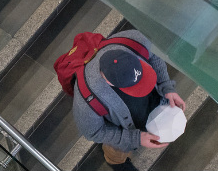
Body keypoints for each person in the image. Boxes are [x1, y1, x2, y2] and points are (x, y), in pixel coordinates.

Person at [71, 30, 186, 171]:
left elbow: (155, 57)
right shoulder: (86, 97)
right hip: (123, 131)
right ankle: (116, 163)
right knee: (116, 155)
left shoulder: (136, 40)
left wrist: (167, 88)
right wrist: (135, 139)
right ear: (109, 82)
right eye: (134, 87)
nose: (143, 87)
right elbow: (93, 132)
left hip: (151, 109)